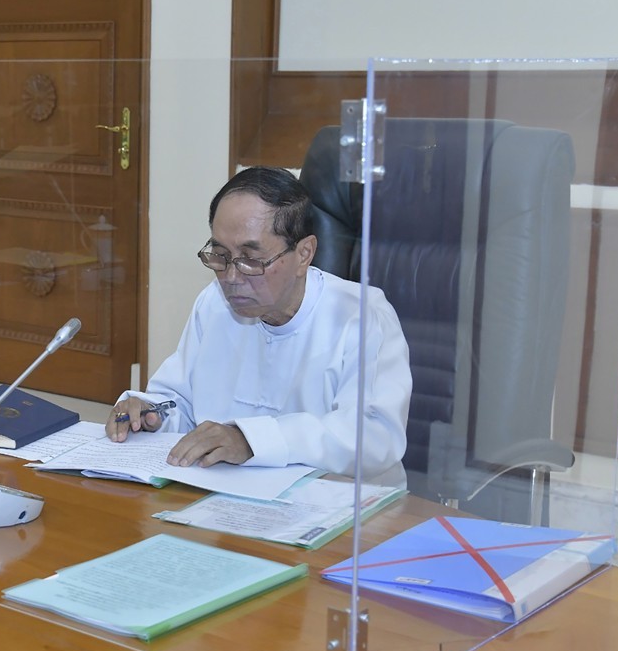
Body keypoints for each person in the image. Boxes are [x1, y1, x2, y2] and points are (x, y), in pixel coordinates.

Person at [107, 166, 411, 481]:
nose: (232, 278)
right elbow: (180, 401)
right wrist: (151, 413)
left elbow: (375, 438)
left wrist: (251, 440)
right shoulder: (213, 303)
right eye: (220, 255)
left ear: (304, 253)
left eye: (251, 260)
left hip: (335, 506)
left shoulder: (360, 316)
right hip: (226, 499)